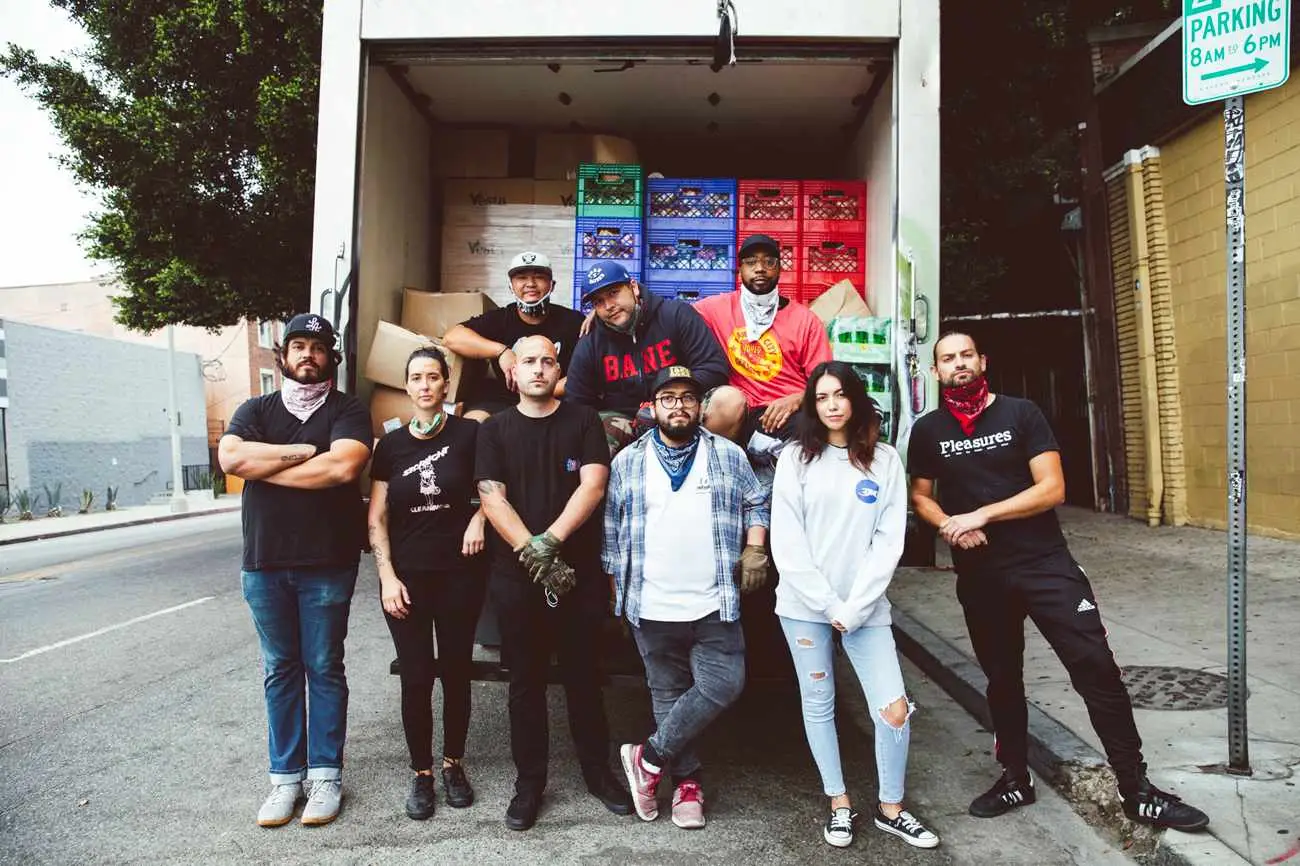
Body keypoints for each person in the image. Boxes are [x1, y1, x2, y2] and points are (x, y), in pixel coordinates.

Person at [907, 332, 1209, 832]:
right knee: (1003, 679)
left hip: (1045, 564)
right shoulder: (929, 430)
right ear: (935, 371)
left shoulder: (1021, 414)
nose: (958, 363)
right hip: (981, 574)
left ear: (983, 360)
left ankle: (1137, 790)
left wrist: (981, 514)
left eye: (966, 355)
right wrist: (948, 526)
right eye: (947, 358)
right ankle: (1015, 778)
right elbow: (921, 495)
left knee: (1096, 667)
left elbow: (1052, 488)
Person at [771, 362, 939, 850]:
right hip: (804, 607)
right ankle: (839, 803)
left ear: (857, 399)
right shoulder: (796, 460)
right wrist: (828, 604)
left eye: (840, 395)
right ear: (811, 405)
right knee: (819, 704)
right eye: (821, 397)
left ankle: (892, 808)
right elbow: (788, 541)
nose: (832, 405)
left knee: (893, 708)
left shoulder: (884, 460)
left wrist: (857, 605)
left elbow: (890, 540)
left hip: (866, 608)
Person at [217, 313, 373, 828]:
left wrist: (269, 465)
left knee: (324, 668)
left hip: (327, 562)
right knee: (279, 670)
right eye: (298, 346)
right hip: (263, 564)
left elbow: (343, 467)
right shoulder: (255, 408)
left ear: (333, 357)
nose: (308, 355)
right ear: (282, 356)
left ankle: (325, 776)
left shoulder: (348, 409)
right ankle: (285, 781)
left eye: (318, 347)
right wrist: (302, 452)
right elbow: (232, 459)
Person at [474, 334, 633, 830]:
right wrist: (530, 550)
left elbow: (594, 483)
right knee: (525, 683)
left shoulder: (583, 419)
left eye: (547, 361)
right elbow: (491, 496)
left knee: (585, 678)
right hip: (516, 577)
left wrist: (552, 543)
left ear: (558, 369)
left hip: (576, 575)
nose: (538, 369)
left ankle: (597, 772)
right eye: (529, 362)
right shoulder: (495, 430)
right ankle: (529, 783)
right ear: (512, 373)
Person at [604, 365, 770, 830]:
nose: (679, 405)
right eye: (668, 397)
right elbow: (613, 534)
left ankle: (648, 757)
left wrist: (755, 546)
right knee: (668, 694)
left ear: (701, 406)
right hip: (651, 603)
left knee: (723, 684)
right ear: (652, 407)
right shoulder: (628, 461)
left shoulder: (728, 456)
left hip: (713, 599)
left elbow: (756, 501)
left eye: (688, 397)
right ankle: (687, 784)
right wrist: (618, 596)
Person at [367, 346, 487, 821]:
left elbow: (494, 489)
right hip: (408, 580)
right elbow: (377, 516)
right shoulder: (390, 446)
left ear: (445, 385)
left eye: (433, 377)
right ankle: (422, 773)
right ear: (407, 386)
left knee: (456, 673)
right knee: (416, 678)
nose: (424, 385)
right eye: (415, 377)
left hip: (460, 575)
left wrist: (479, 519)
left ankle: (454, 763)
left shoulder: (470, 434)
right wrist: (386, 577)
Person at [565, 261, 741, 455]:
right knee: (589, 435)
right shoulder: (591, 341)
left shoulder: (675, 315)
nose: (608, 306)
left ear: (633, 287)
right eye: (598, 301)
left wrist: (666, 398)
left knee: (729, 400)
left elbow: (713, 368)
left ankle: (707, 471)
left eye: (614, 293)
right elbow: (576, 402)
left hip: (679, 404)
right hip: (626, 419)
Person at [692, 234, 833, 456]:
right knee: (727, 401)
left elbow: (825, 382)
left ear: (779, 269)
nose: (760, 268)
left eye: (769, 262)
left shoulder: (805, 320)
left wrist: (796, 399)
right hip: (746, 410)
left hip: (794, 410)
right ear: (740, 270)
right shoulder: (716, 309)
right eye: (751, 262)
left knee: (849, 420)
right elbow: (675, 318)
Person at [442, 251, 586, 421]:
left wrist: (540, 391)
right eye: (521, 278)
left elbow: (588, 369)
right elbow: (452, 337)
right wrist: (501, 351)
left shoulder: (573, 321)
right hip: (506, 400)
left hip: (555, 399)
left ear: (552, 285)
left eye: (539, 277)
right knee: (473, 424)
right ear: (511, 286)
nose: (530, 284)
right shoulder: (500, 319)